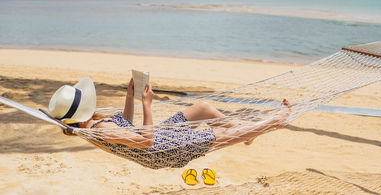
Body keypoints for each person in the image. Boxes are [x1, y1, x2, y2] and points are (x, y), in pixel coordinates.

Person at [49, 77, 291, 169]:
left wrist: (129, 95)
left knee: (202, 109)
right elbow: (145, 141)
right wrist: (146, 104)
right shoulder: (100, 130)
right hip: (162, 151)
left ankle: (245, 134)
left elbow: (127, 124)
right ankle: (273, 122)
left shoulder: (88, 126)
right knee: (220, 138)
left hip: (160, 139)